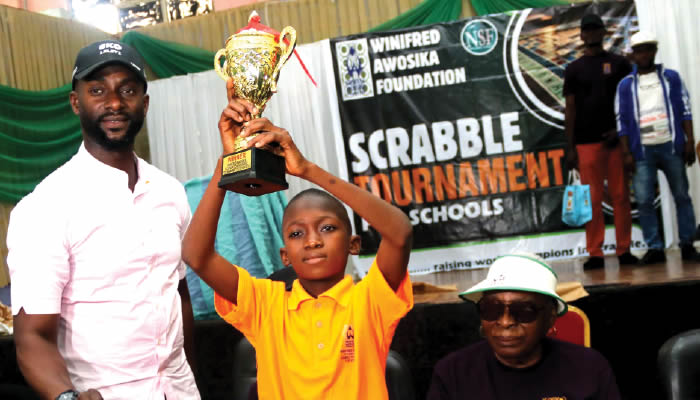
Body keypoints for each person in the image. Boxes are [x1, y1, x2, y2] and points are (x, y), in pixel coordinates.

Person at [181, 79, 414, 400]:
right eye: (296, 233)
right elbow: (197, 255)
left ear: (353, 245)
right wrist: (229, 161)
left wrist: (306, 169)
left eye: (327, 228)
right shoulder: (266, 305)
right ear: (285, 255)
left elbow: (400, 233)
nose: (312, 241)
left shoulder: (369, 301)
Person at [7, 40, 200, 400]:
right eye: (97, 90)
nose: (114, 103)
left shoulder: (170, 192)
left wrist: (191, 379)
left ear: (144, 103)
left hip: (179, 389)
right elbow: (32, 337)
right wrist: (66, 397)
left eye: (127, 90)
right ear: (75, 102)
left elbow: (178, 292)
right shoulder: (44, 208)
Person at [427, 253, 621, 400]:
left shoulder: (590, 369)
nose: (505, 322)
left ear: (550, 317)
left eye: (523, 311)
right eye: (492, 309)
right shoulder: (452, 374)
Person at [616, 31, 700, 264]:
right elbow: (622, 121)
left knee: (682, 195)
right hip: (642, 150)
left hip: (670, 145)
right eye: (639, 51)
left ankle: (687, 244)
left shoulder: (671, 77)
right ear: (633, 55)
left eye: (648, 49)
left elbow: (685, 109)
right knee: (644, 200)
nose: (644, 54)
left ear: (654, 51)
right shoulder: (625, 85)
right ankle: (654, 248)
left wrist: (689, 141)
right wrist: (626, 152)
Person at [564, 14, 637, 269]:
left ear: (604, 32)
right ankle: (595, 253)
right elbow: (570, 109)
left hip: (616, 140)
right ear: (582, 35)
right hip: (586, 143)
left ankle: (624, 249)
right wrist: (570, 147)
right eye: (588, 30)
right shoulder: (574, 69)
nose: (592, 34)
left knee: (621, 196)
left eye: (596, 29)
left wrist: (621, 131)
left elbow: (630, 102)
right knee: (592, 200)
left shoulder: (619, 64)